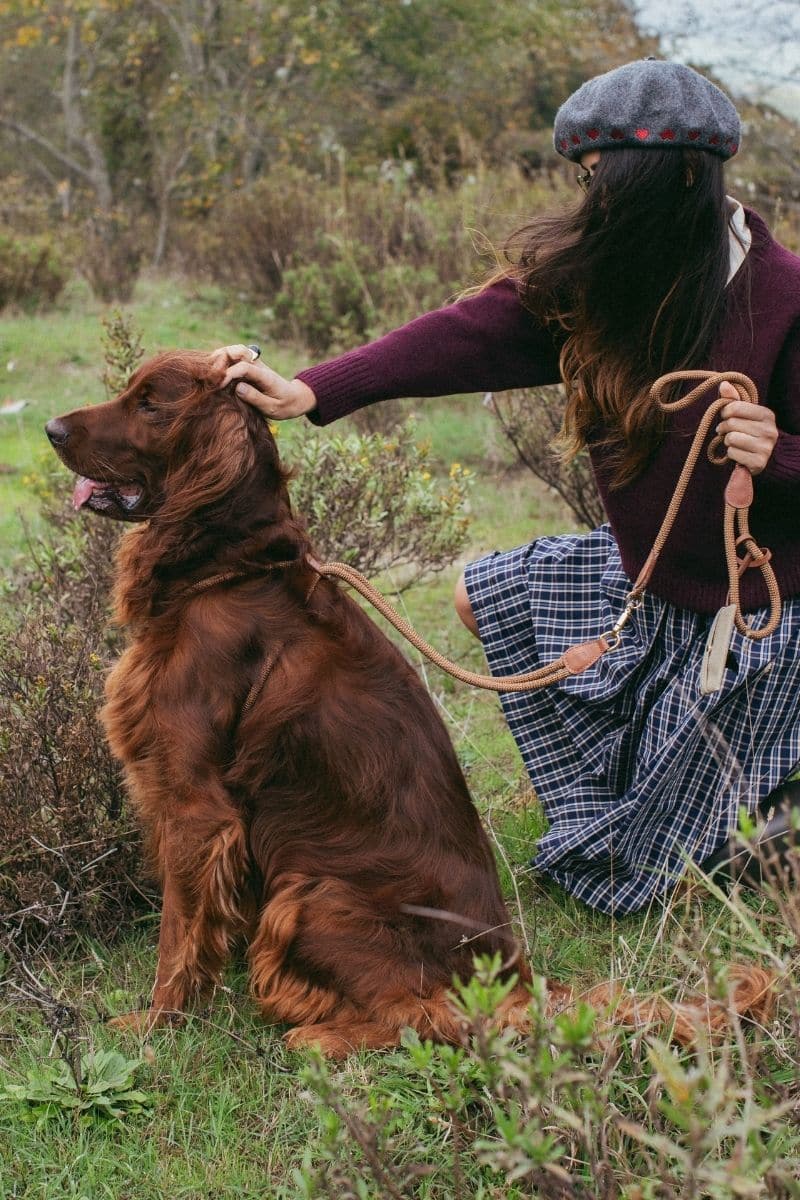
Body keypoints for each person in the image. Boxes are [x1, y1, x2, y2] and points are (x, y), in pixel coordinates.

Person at [213, 59, 800, 915]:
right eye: (588, 180)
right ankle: (701, 787)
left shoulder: (784, 297)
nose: (595, 203)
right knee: (481, 595)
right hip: (647, 587)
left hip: (762, 616)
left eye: (612, 183)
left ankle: (769, 791)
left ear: (684, 175)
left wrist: (779, 454)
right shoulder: (605, 277)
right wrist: (312, 390)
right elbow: (464, 336)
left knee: (626, 880)